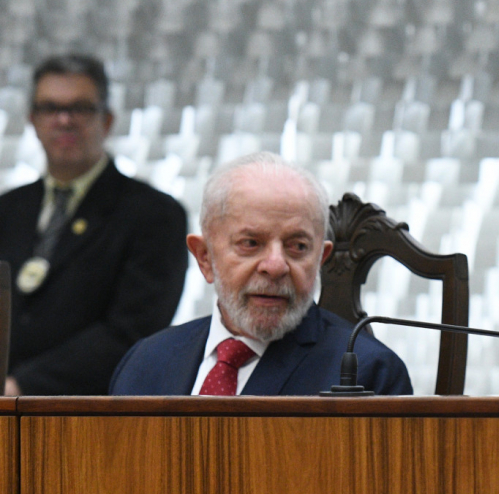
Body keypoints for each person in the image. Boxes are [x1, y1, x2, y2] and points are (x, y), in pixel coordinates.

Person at [109, 151, 413, 396]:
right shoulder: (145, 362)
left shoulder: (369, 373)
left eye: (297, 246)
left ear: (320, 259)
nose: (275, 266)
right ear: (205, 258)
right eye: (250, 244)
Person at [0, 54, 188, 395]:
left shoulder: (155, 215)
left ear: (107, 120)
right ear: (32, 120)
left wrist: (20, 385)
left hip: (94, 416)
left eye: (80, 108)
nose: (64, 120)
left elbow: (133, 331)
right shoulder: (7, 210)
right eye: (50, 108)